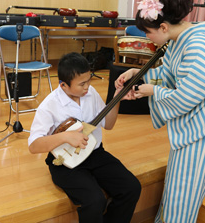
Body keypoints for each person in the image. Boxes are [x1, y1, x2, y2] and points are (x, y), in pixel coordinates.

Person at [115, 0, 205, 222]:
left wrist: (153, 91)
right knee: (177, 184)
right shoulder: (180, 38)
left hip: (204, 126)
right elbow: (169, 74)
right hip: (194, 123)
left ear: (162, 26)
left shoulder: (197, 46)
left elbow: (185, 97)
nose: (147, 38)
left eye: (148, 32)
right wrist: (136, 76)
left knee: (185, 190)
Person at [28, 52, 141, 223]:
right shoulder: (49, 105)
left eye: (89, 80)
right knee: (95, 201)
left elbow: (108, 125)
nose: (87, 86)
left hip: (95, 154)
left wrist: (117, 98)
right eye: (82, 84)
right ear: (64, 85)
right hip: (66, 162)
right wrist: (65, 137)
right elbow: (34, 146)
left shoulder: (91, 93)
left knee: (131, 187)